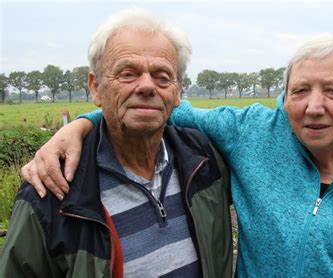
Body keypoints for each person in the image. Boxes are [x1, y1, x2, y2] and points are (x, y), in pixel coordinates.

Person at [22, 34, 333, 277]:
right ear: (284, 96)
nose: (314, 106)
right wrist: (83, 123)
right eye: (300, 90)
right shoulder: (253, 132)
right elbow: (156, 103)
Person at [0, 8, 233, 277]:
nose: (147, 86)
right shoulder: (52, 189)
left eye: (162, 76)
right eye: (128, 73)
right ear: (96, 87)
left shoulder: (205, 159)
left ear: (178, 91)